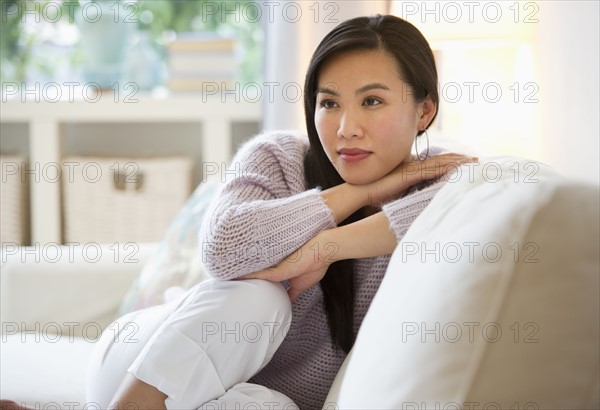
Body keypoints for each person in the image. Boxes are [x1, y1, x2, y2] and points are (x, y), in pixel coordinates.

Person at [85, 14, 476, 410]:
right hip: (146, 361)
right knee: (261, 298)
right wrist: (360, 192)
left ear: (425, 111)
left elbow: (461, 213)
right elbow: (222, 249)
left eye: (372, 101)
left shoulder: (441, 179)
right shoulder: (277, 156)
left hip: (247, 398)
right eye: (329, 103)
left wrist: (326, 247)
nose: (346, 127)